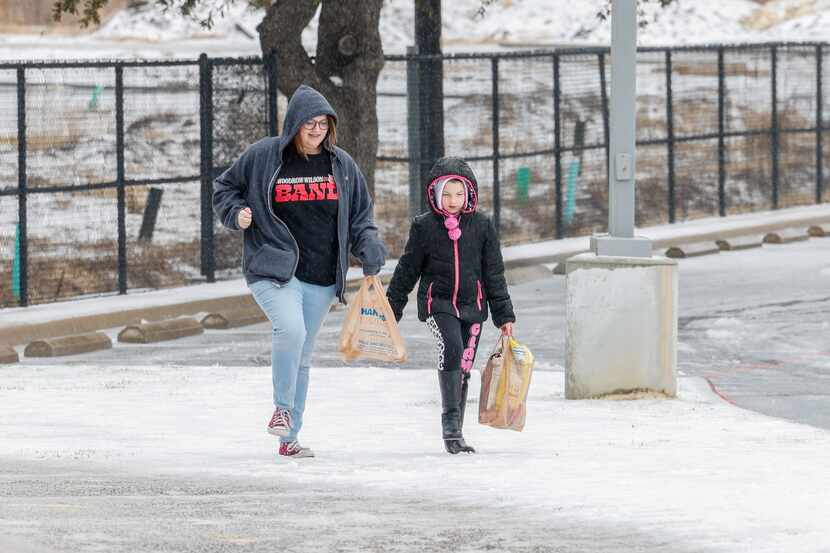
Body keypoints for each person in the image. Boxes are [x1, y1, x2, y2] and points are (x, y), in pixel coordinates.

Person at [213, 85, 386, 459]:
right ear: (293, 124)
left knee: (303, 355)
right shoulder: (264, 156)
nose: (316, 130)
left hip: (322, 276)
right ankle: (281, 409)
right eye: (309, 123)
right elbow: (224, 187)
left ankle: (289, 438)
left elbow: (360, 215)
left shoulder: (341, 165)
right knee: (290, 329)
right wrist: (235, 214)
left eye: (323, 123)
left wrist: (368, 245)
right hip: (272, 268)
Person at [386, 157, 515, 454]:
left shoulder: (482, 226)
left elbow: (494, 272)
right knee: (453, 349)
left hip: (474, 306)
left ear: (469, 193)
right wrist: (393, 306)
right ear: (434, 194)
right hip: (438, 302)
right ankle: (449, 423)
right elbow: (408, 268)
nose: (453, 200)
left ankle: (456, 434)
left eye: (459, 194)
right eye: (446, 194)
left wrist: (503, 315)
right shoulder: (424, 227)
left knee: (465, 365)